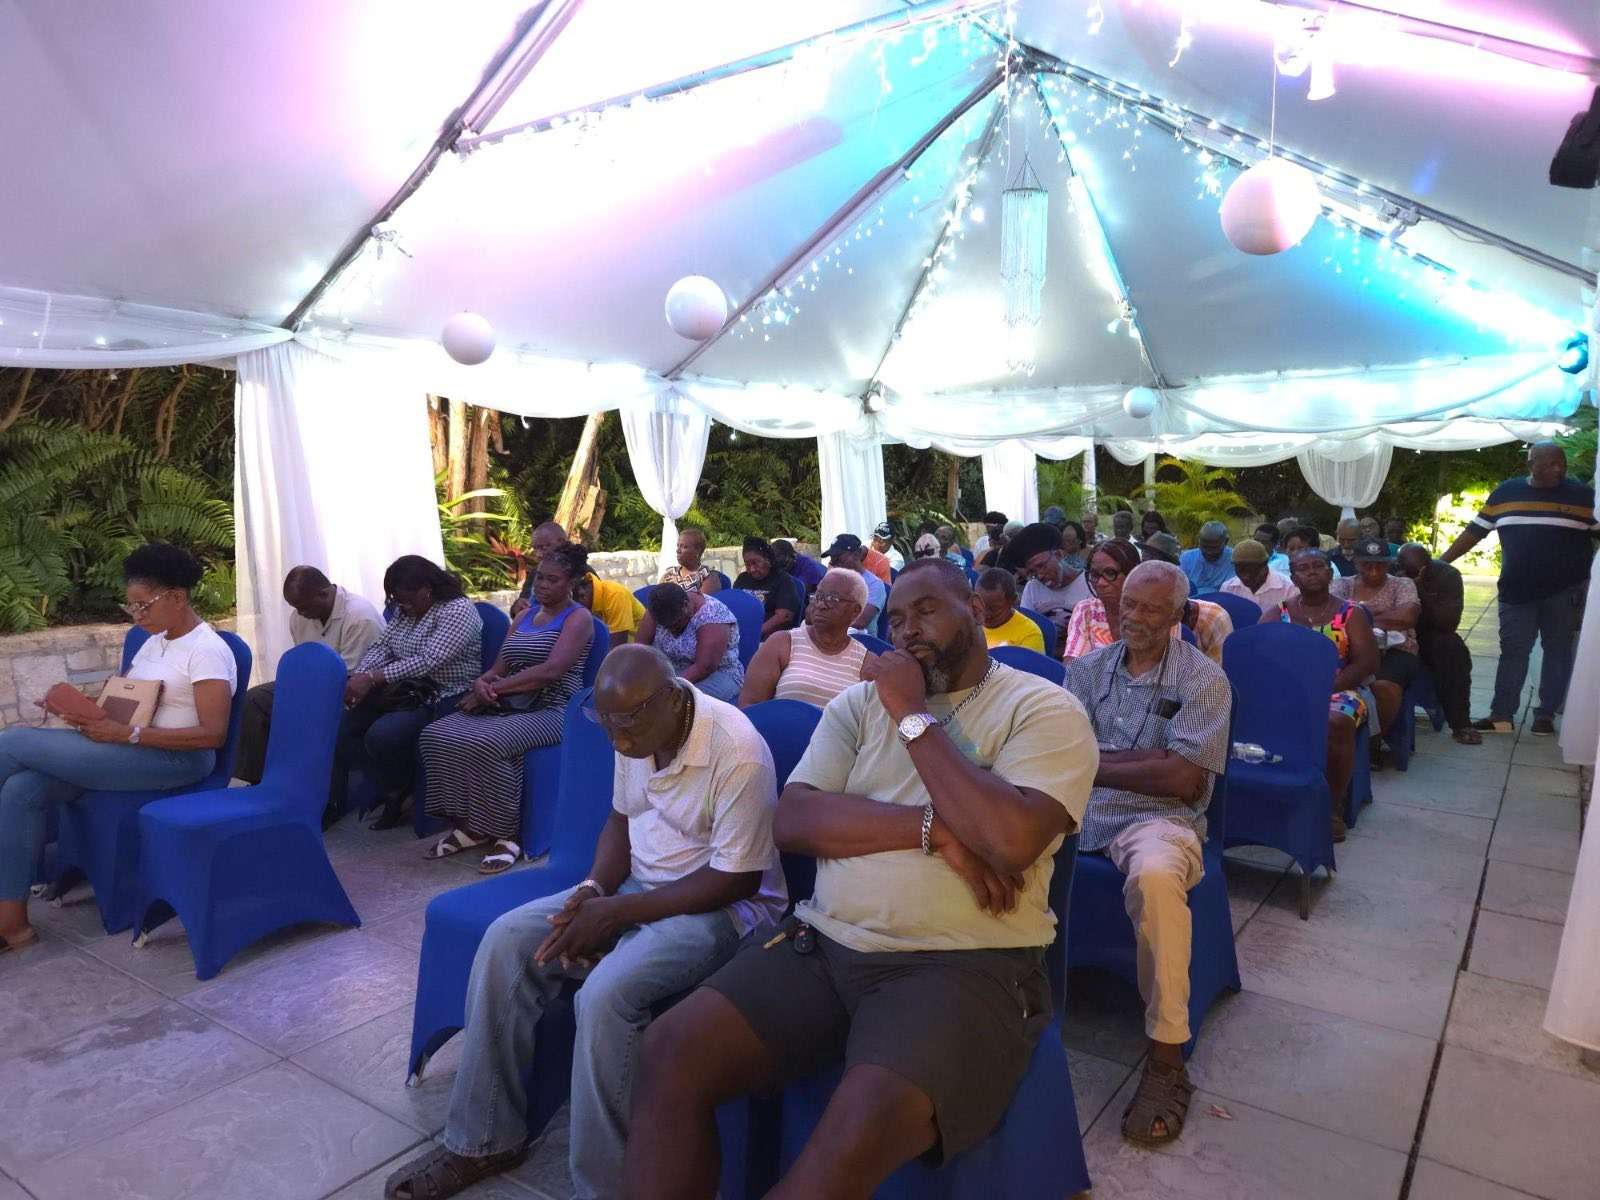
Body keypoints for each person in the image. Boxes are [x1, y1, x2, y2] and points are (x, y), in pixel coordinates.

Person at [624, 559, 1097, 1197]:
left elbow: (1009, 841)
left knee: (841, 1150)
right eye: (895, 619)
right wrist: (939, 829)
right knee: (668, 1050)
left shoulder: (1043, 707)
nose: (907, 631)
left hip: (960, 963)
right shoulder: (855, 704)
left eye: (925, 610)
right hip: (823, 944)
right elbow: (794, 820)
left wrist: (910, 714)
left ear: (976, 611)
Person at [381, 645, 786, 1200]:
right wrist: (594, 891)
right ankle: (484, 1138)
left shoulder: (737, 750)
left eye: (626, 725)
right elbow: (620, 820)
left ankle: (606, 1187)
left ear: (671, 700)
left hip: (721, 908)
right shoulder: (632, 724)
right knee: (505, 941)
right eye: (607, 724)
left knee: (605, 994)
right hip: (637, 886)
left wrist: (616, 914)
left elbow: (736, 881)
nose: (617, 741)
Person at [0, 543, 239, 955]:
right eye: (131, 606)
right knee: (22, 789)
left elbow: (213, 735)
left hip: (177, 760)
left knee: (12, 742)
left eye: (143, 605)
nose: (136, 615)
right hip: (129, 750)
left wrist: (128, 735)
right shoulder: (154, 642)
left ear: (177, 597)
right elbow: (129, 703)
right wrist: (83, 711)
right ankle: (13, 926)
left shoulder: (207, 651)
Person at [1064, 561, 1231, 1146]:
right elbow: (1060, 753)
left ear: (1178, 615)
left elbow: (1183, 779)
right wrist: (1143, 763)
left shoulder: (1203, 680)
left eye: (1151, 609)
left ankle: (1166, 1058)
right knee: (995, 838)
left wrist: (1093, 763)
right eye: (1128, 603)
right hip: (1078, 810)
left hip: (1159, 819)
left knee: (1158, 877)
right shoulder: (1085, 671)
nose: (1133, 617)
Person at [419, 544, 595, 874]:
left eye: (553, 580)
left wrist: (495, 689)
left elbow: (551, 671)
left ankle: (507, 834)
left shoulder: (579, 618)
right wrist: (481, 684)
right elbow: (499, 665)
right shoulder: (524, 616)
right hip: (509, 703)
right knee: (435, 734)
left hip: (555, 708)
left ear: (571, 583)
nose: (543, 585)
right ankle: (471, 826)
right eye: (540, 578)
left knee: (490, 742)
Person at [1441, 442, 1599, 736]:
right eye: (1551, 464)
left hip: (1565, 592)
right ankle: (1502, 716)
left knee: (1557, 651)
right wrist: (1441, 562)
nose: (1559, 469)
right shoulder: (1506, 493)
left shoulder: (1583, 497)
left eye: (1562, 463)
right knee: (1513, 651)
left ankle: (1545, 715)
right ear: (1531, 465)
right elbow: (1475, 532)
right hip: (1516, 591)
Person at [341, 556, 484, 830]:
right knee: (346, 723)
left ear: (426, 589)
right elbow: (383, 646)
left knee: (382, 735)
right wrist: (361, 676)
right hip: (407, 690)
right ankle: (390, 786)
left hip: (445, 694)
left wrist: (372, 678)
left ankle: (400, 790)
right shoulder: (406, 612)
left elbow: (429, 660)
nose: (400, 606)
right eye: (396, 600)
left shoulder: (457, 610)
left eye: (405, 599)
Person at [234, 566, 384, 787]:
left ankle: (320, 793)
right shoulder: (299, 616)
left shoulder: (360, 618)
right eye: (296, 607)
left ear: (324, 593)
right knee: (254, 700)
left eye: (304, 607)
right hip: (311, 683)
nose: (300, 613)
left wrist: (301, 697)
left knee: (307, 716)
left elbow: (353, 677)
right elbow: (304, 660)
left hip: (350, 690)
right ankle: (256, 781)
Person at [1280, 548, 1383, 840]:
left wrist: (1324, 689)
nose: (1312, 571)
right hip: (1291, 692)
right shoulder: (1281, 612)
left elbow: (1367, 663)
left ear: (1330, 573)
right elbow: (1260, 651)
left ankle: (1331, 807)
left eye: (1318, 566)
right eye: (1303, 568)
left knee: (1335, 722)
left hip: (1342, 690)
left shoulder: (1351, 613)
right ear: (1293, 578)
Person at [1332, 537, 1421, 763]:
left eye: (1380, 565)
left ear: (1389, 564)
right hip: (1349, 651)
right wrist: (1382, 617)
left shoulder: (1402, 585)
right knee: (1333, 682)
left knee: (1383, 686)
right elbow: (1333, 617)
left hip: (1396, 650)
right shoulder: (1343, 584)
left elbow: (1407, 617)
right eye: (1367, 564)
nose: (1373, 571)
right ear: (1356, 563)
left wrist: (1357, 619)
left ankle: (1373, 741)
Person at [1067, 541, 1230, 662]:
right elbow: (1073, 668)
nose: (1100, 583)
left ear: (1132, 574)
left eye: (1110, 573)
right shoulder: (1086, 610)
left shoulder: (1160, 612)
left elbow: (1162, 671)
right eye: (1094, 575)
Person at [739, 569, 874, 707]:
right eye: (818, 596)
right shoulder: (782, 644)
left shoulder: (866, 663)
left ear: (855, 610)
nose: (820, 605)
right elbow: (750, 704)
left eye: (832, 599)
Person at [1397, 543, 1481, 745]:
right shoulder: (1389, 572)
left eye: (1416, 571)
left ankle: (1460, 723)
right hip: (1393, 632)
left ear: (1427, 566)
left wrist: (1416, 589)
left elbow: (1449, 622)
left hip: (1428, 632)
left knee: (1452, 648)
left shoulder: (1447, 575)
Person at [638, 583, 744, 702]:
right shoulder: (658, 608)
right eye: (665, 626)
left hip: (717, 674)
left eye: (675, 624)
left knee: (672, 701)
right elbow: (640, 649)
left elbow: (704, 667)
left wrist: (666, 688)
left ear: (685, 605)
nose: (671, 630)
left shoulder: (711, 615)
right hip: (672, 670)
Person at [1002, 522, 1090, 656]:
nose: (1040, 575)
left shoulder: (1090, 584)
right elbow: (1025, 631)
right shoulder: (1033, 588)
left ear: (1059, 554)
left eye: (1041, 566)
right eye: (1032, 572)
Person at [733, 537, 805, 641]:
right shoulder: (742, 579)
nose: (752, 569)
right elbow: (734, 607)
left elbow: (784, 616)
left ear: (768, 559)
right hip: (743, 635)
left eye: (756, 563)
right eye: (747, 564)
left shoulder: (783, 580)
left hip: (771, 639)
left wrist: (755, 634)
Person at [821, 534, 889, 631]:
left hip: (859, 637)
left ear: (856, 555)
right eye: (832, 560)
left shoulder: (874, 584)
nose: (835, 564)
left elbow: (860, 622)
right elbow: (815, 609)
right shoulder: (833, 580)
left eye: (838, 559)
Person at [975, 567, 1046, 654]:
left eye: (994, 608)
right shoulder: (971, 623)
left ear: (1013, 601)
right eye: (980, 606)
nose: (986, 614)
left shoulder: (1029, 634)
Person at [1221, 538, 1297, 617]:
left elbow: (1287, 619)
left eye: (1251, 571)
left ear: (1264, 565)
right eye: (1240, 571)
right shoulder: (1228, 589)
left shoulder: (1288, 589)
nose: (1246, 577)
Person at [510, 521, 571, 619]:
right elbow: (523, 601)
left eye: (543, 548)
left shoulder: (581, 574)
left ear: (562, 543)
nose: (538, 554)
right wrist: (516, 607)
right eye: (535, 549)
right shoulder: (536, 572)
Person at [575, 569, 645, 646]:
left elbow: (618, 646)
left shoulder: (615, 595)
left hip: (637, 645)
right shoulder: (592, 599)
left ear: (582, 596)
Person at [659, 528, 723, 594]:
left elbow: (703, 600)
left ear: (697, 550)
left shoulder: (708, 576)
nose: (678, 550)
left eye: (684, 547)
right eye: (678, 546)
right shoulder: (669, 574)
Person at [1178, 522, 1235, 595]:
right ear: (1199, 541)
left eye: (1214, 548)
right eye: (1204, 546)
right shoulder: (1186, 558)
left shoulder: (1235, 560)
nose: (1209, 552)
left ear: (1226, 541)